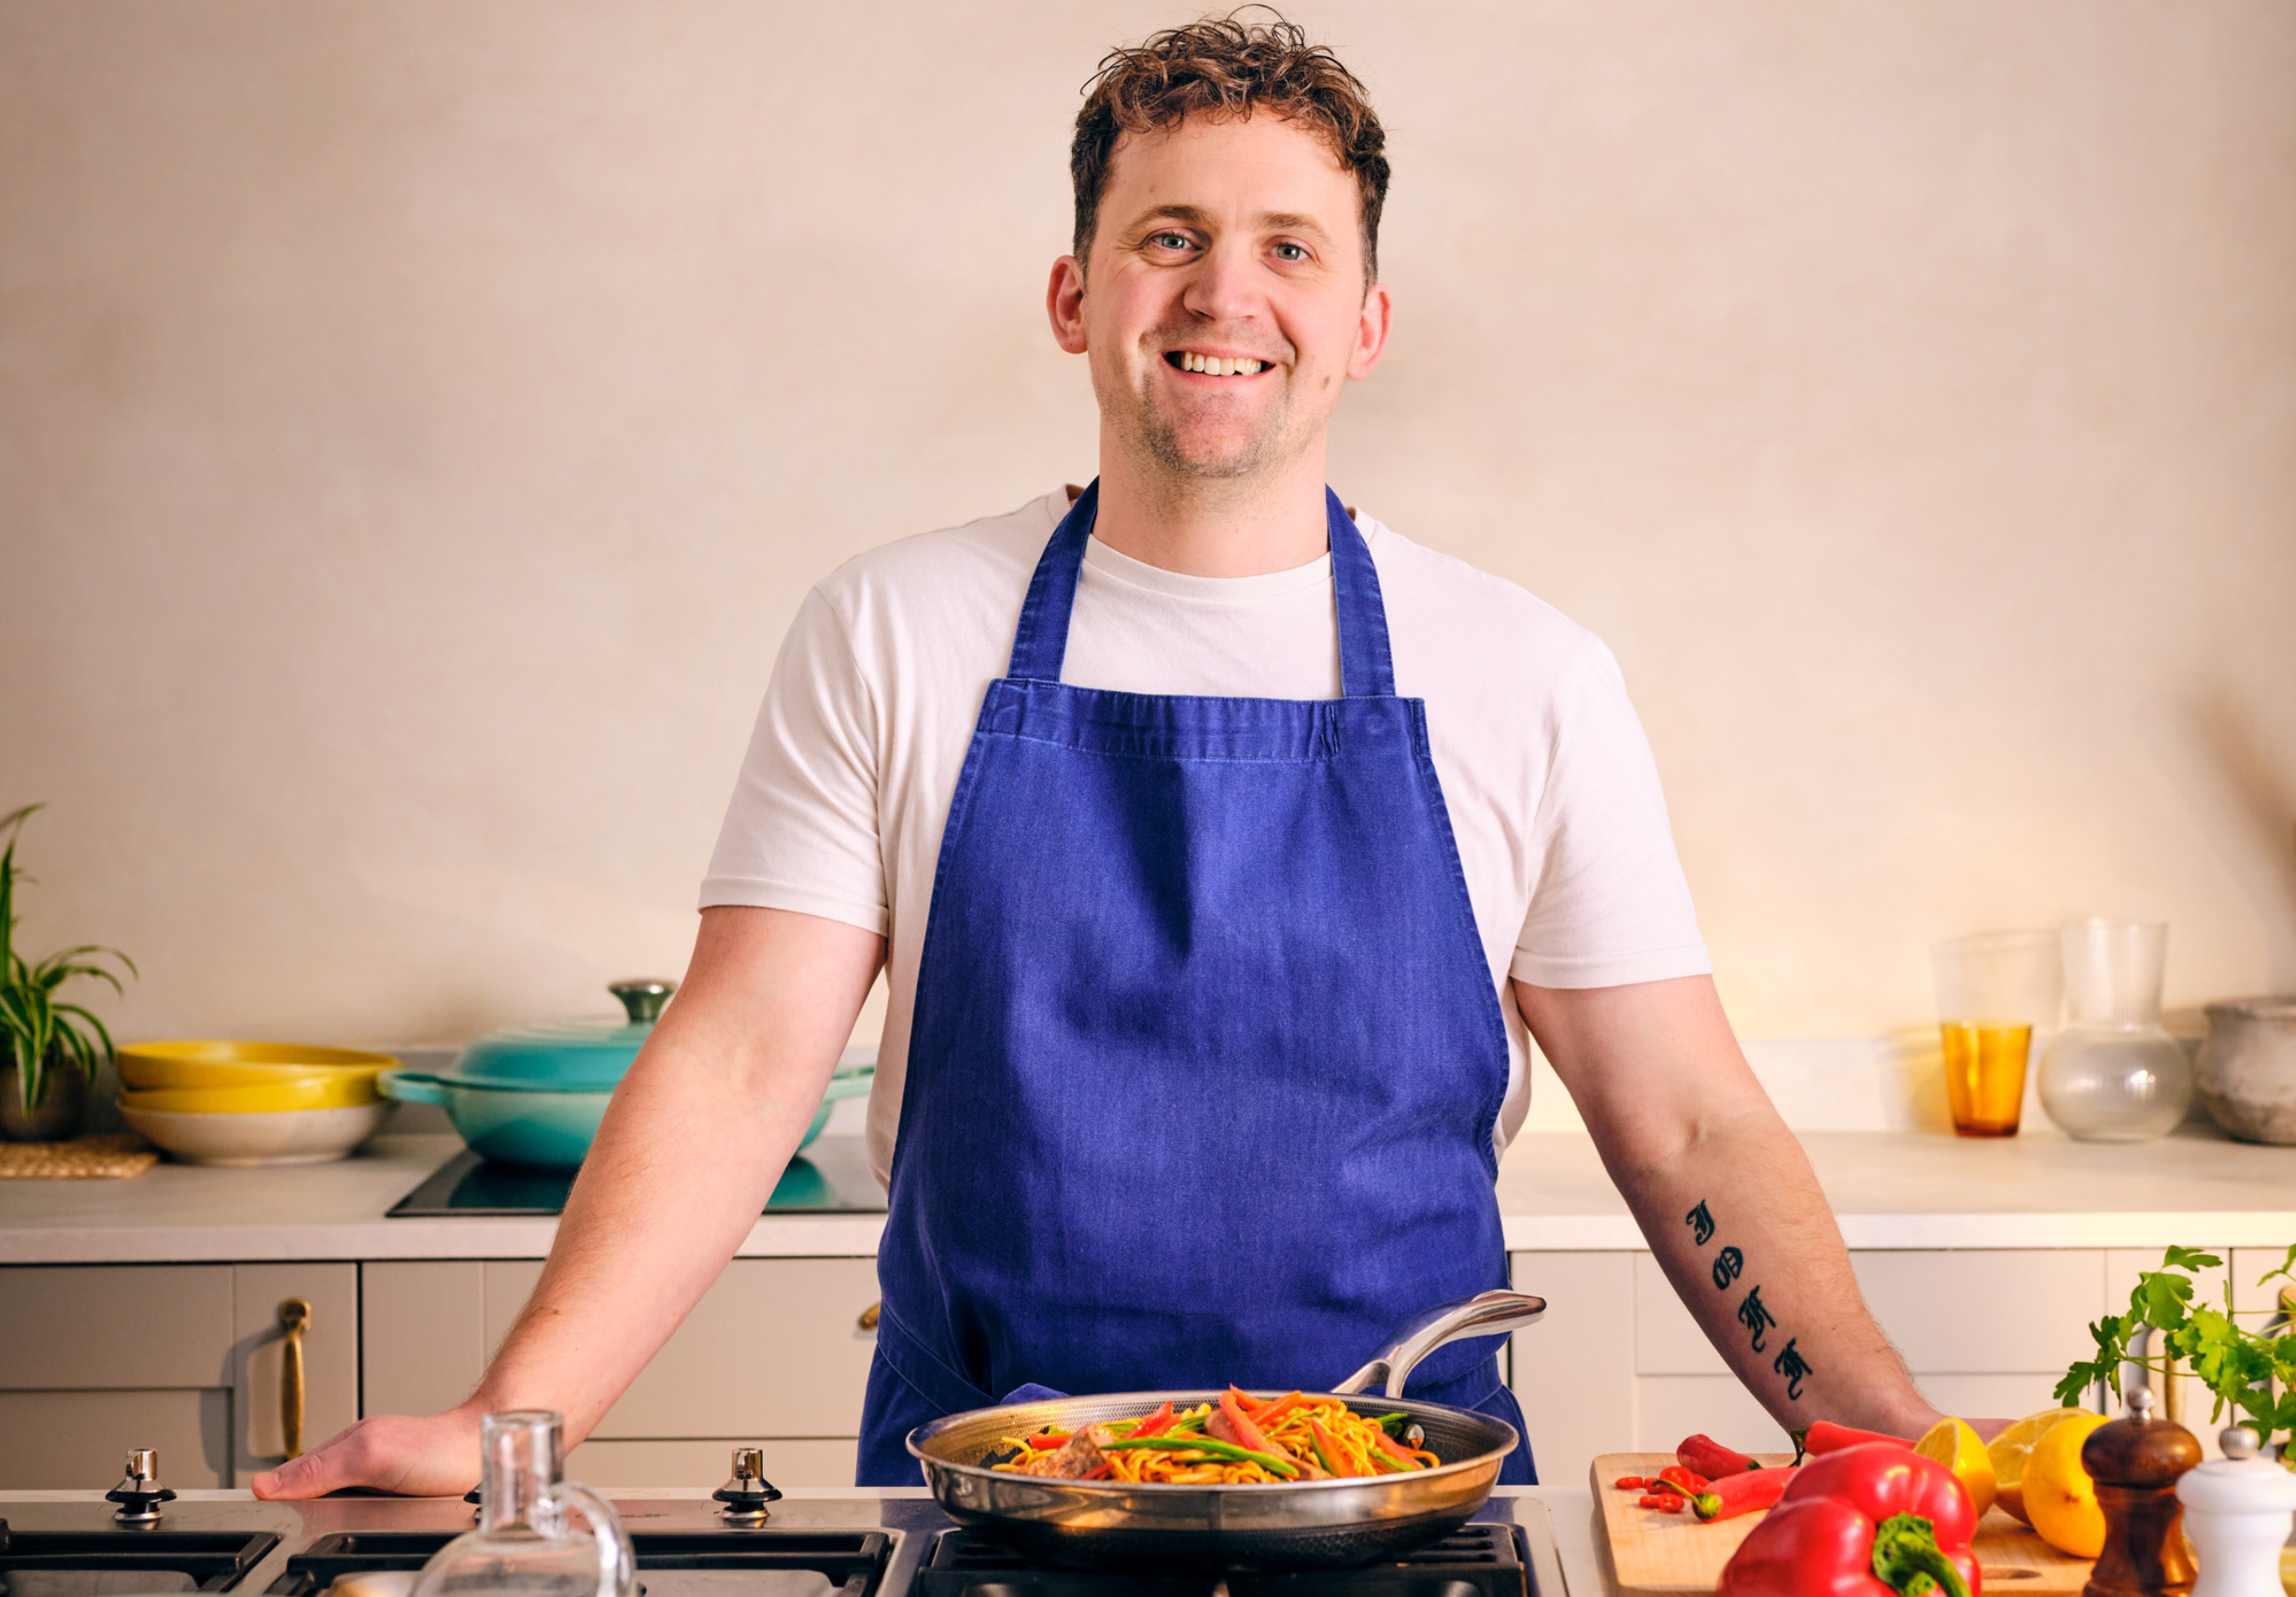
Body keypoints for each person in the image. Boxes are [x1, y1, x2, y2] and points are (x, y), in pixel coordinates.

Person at [256, 13, 1945, 1499]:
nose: (1227, 291)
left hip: (1403, 1504)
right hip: (987, 1495)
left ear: (1366, 321)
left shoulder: (1526, 673)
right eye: (1170, 237)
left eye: (1292, 246)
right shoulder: (896, 627)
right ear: (1077, 298)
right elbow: (739, 1060)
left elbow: (1690, 1127)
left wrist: (1882, 1433)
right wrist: (513, 1420)